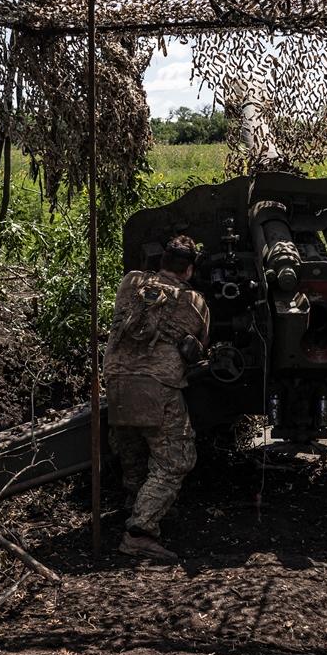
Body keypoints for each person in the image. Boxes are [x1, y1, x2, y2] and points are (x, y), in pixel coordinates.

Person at [103, 235, 210, 562]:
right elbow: (200, 348)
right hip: (157, 386)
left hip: (117, 379)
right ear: (189, 270)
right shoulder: (195, 302)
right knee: (175, 460)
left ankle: (140, 505)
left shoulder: (129, 282)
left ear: (160, 261)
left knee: (133, 450)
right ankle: (140, 532)